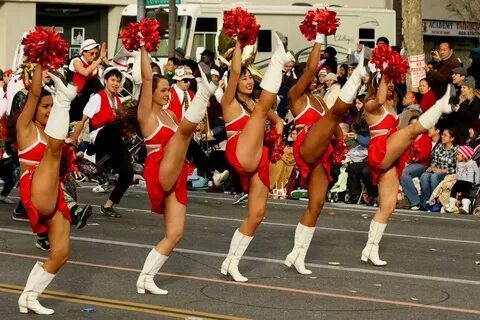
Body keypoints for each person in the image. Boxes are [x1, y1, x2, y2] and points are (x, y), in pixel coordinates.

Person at [135, 43, 217, 294]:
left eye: (167, 90)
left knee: (176, 233)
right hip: (158, 166)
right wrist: (142, 46)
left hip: (176, 168)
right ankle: (205, 93)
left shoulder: (171, 114)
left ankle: (146, 278)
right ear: (151, 92)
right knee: (183, 134)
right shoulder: (146, 115)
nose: (166, 94)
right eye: (162, 90)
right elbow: (148, 76)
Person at [284, 33, 368, 274]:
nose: (314, 79)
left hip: (322, 151)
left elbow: (333, 125)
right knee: (335, 114)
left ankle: (297, 254)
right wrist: (319, 37)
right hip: (306, 145)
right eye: (310, 77)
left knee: (317, 204)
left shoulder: (320, 99)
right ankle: (356, 75)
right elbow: (311, 68)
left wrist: (341, 142)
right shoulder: (295, 97)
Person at [361, 68, 454, 266]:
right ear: (378, 85)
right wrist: (384, 72)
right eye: (386, 83)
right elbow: (377, 100)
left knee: (388, 206)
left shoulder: (391, 104)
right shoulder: (370, 104)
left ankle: (370, 248)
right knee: (411, 131)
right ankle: (439, 107)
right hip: (380, 149)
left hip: (390, 153)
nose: (391, 86)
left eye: (392, 83)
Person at [219, 33, 290, 282]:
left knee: (257, 214)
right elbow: (235, 71)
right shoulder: (229, 101)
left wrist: (277, 137)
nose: (248, 81)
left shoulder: (255, 104)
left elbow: (278, 120)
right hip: (239, 150)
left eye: (251, 78)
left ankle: (232, 261)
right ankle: (277, 61)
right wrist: (238, 43)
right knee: (261, 110)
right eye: (244, 78)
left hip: (259, 155)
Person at [17, 65, 77, 314]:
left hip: (54, 189)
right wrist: (41, 61)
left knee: (62, 253)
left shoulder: (52, 132)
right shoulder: (26, 128)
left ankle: (29, 297)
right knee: (54, 149)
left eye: (53, 106)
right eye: (45, 107)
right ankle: (66, 99)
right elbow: (33, 94)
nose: (48, 110)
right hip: (34, 186)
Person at [70, 67, 133, 217]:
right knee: (111, 128)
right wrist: (73, 142)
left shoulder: (119, 101)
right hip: (100, 136)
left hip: (115, 140)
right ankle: (98, 160)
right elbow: (83, 120)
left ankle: (108, 205)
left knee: (127, 174)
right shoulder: (97, 97)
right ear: (105, 81)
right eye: (112, 80)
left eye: (118, 81)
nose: (116, 83)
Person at [419, 128, 457, 210]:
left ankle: (435, 200)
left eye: (445, 135)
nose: (442, 137)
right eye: (442, 134)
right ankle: (426, 201)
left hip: (449, 174)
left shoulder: (456, 149)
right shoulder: (439, 147)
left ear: (452, 138)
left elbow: (457, 168)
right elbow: (434, 161)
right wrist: (432, 167)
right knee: (425, 175)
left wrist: (442, 171)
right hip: (437, 171)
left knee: (434, 177)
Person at [445, 145, 480, 213]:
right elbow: (457, 171)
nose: (456, 156)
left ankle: (466, 206)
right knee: (454, 189)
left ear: (464, 155)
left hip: (468, 181)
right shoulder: (458, 163)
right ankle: (452, 204)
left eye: (458, 154)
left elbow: (477, 172)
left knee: (465, 190)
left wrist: (477, 181)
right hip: (460, 180)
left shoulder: (472, 163)